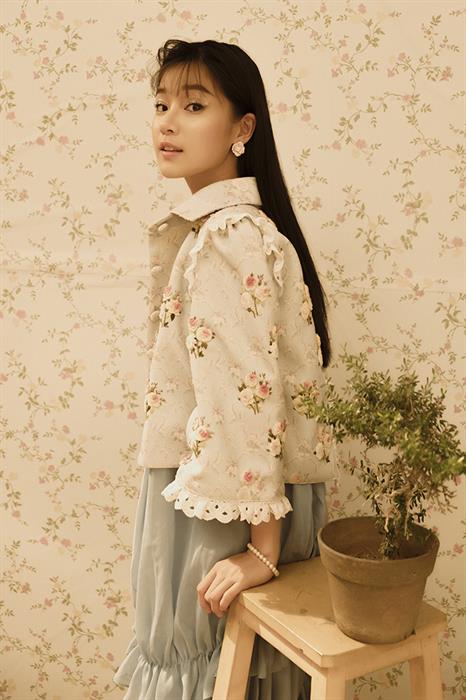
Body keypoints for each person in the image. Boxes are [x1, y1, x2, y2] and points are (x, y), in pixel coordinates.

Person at [113, 38, 337, 700]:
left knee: (207, 668)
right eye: (161, 104)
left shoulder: (227, 235)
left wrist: (261, 550)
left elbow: (246, 396)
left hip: (225, 502)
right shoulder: (228, 229)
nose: (168, 122)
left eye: (193, 105)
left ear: (243, 128)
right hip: (229, 488)